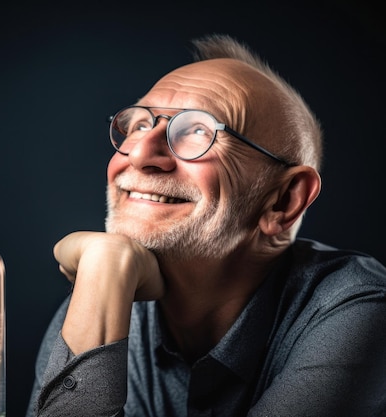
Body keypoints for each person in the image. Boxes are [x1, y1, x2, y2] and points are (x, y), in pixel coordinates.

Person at [25, 34, 386, 416]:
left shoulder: (358, 311)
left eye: (198, 130)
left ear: (283, 200)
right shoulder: (107, 285)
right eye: (138, 125)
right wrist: (106, 261)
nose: (142, 153)